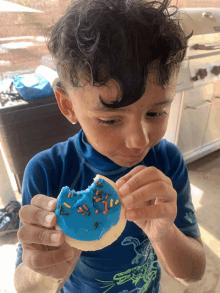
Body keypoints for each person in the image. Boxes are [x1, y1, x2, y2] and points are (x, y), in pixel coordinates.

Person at [14, 0, 206, 292]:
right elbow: (27, 288)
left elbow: (193, 273)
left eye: (155, 113)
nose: (139, 141)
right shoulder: (46, 171)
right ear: (68, 106)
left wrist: (165, 233)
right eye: (110, 120)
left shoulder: (168, 162)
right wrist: (43, 269)